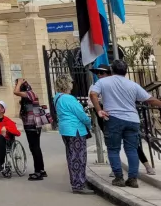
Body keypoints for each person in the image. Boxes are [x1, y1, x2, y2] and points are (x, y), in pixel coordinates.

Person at [89, 59, 161, 188]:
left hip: (113, 118)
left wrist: (99, 110)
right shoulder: (133, 85)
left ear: (112, 70)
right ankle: (133, 179)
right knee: (132, 149)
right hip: (132, 120)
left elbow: (93, 94)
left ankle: (118, 178)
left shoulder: (103, 82)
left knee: (113, 149)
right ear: (126, 71)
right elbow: (150, 100)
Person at [52, 76, 94, 195]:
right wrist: (88, 123)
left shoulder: (57, 97)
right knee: (78, 156)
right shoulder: (69, 98)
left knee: (71, 155)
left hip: (65, 129)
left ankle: (76, 181)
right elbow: (80, 113)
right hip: (75, 129)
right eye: (70, 82)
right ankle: (78, 184)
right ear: (67, 84)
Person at [14, 78, 47, 181]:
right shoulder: (28, 95)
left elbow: (16, 92)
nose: (16, 86)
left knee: (35, 147)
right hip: (31, 124)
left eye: (18, 85)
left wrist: (19, 82)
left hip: (32, 124)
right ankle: (41, 170)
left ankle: (38, 172)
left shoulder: (30, 93)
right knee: (35, 147)